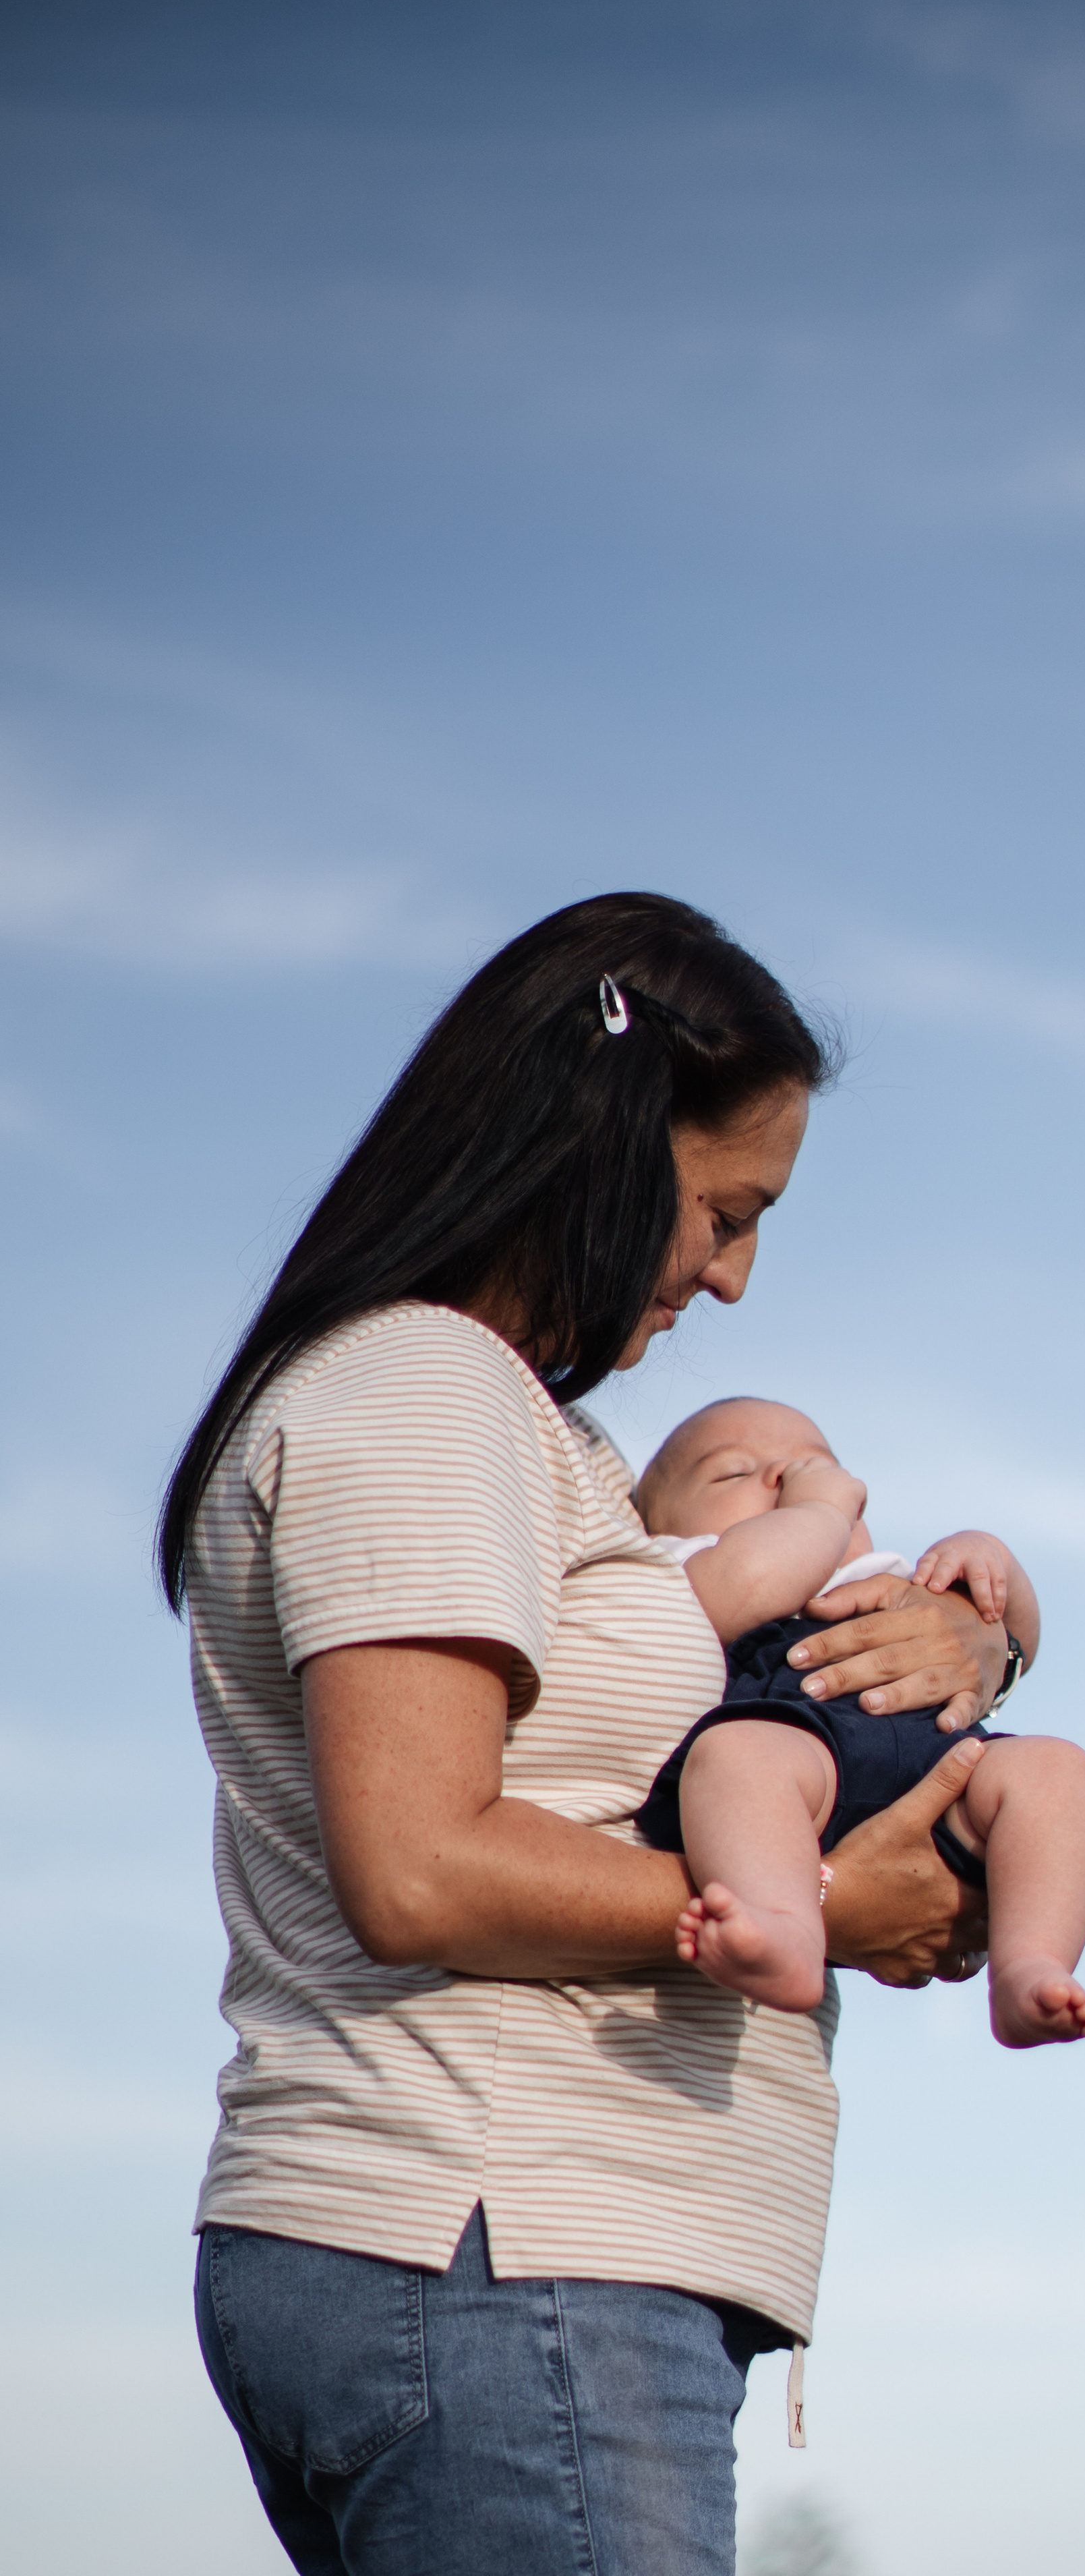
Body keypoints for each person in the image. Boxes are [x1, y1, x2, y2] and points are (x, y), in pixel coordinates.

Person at [160, 892, 1011, 2576]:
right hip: (494, 2246)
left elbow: (670, 1697)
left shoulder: (513, 1434)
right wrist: (828, 1910)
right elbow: (420, 1865)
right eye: (724, 1209)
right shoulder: (420, 1392)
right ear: (610, 1138)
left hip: (501, 2263)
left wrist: (956, 1637)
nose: (734, 1274)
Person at [631, 1397, 1085, 2047]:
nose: (784, 1475)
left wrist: (992, 1569)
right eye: (733, 1472)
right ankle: (787, 1929)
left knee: (1056, 1766)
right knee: (735, 1757)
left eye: (815, 1464)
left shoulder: (888, 1579)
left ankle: (1030, 1964)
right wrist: (820, 1507)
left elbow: (1011, 1644)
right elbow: (745, 1586)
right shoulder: (680, 1567)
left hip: (940, 1761)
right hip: (801, 1758)